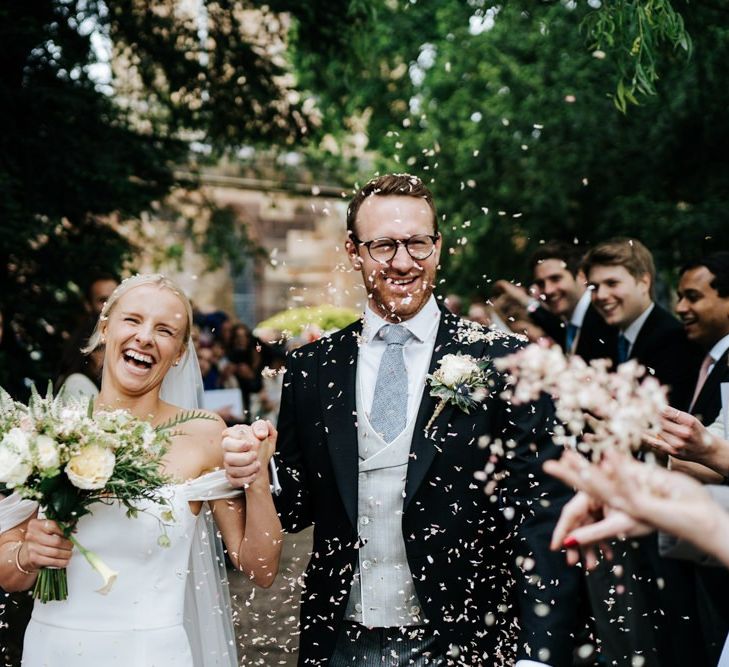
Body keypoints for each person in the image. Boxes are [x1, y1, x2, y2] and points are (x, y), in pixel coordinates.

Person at [223, 174, 581, 666]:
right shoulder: (312, 370)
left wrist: (537, 653)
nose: (403, 262)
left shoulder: (505, 360)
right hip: (340, 642)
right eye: (384, 245)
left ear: (438, 246)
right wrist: (256, 468)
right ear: (353, 251)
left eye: (417, 243)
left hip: (467, 639)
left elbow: (541, 513)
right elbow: (298, 506)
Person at [0, 274, 282, 666]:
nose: (145, 337)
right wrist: (28, 554)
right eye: (132, 320)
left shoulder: (204, 435)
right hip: (54, 650)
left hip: (152, 654)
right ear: (105, 328)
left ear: (181, 352)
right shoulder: (48, 429)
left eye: (165, 330)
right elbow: (7, 571)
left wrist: (257, 475)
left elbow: (261, 568)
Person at [496, 242, 617, 363]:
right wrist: (524, 300)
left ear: (581, 276)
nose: (548, 290)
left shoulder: (602, 316)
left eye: (555, 279)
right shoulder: (573, 323)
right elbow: (554, 326)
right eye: (541, 284)